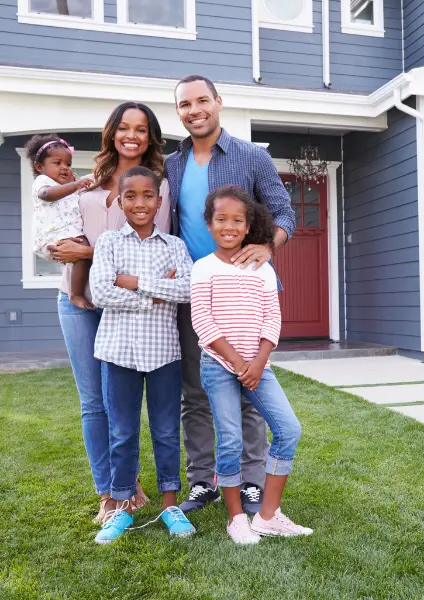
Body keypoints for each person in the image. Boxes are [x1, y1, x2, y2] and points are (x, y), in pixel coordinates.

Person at [166, 74, 295, 515]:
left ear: (218, 102)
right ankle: (203, 482)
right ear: (178, 112)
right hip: (196, 294)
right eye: (185, 104)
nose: (194, 109)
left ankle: (252, 481)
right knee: (196, 393)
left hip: (246, 294)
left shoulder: (250, 157)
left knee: (250, 390)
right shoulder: (172, 164)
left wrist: (268, 244)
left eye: (202, 100)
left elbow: (283, 212)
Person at [50, 102, 171, 523]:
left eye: (140, 129)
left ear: (150, 136)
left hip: (124, 307)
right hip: (77, 298)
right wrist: (61, 248)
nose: (131, 135)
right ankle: (110, 490)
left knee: (119, 401)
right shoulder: (86, 180)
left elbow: (153, 253)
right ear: (112, 132)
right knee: (91, 403)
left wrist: (86, 250)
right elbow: (62, 231)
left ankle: (126, 479)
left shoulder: (159, 186)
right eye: (123, 127)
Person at [192, 185, 311, 544]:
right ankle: (235, 518)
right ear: (209, 224)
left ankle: (268, 515)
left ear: (248, 227)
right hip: (218, 365)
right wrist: (239, 362)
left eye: (237, 220)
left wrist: (258, 363)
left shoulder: (263, 269)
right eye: (221, 219)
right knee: (230, 440)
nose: (229, 226)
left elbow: (272, 320)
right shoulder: (203, 268)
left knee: (288, 430)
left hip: (259, 366)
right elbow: (203, 322)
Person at [91, 166, 195, 544]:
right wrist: (156, 293)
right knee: (122, 432)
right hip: (118, 352)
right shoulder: (108, 243)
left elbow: (186, 290)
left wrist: (134, 284)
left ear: (159, 200)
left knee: (167, 431)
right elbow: (101, 293)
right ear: (120, 201)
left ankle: (170, 504)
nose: (139, 203)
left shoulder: (175, 247)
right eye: (130, 196)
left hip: (164, 352)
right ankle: (120, 506)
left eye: (147, 196)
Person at [25, 135, 92, 309]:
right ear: (40, 167)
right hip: (52, 235)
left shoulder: (66, 186)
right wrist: (75, 185)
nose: (64, 168)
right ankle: (76, 294)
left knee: (83, 253)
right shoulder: (43, 182)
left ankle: (78, 292)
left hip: (67, 232)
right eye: (57, 163)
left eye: (68, 164)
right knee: (82, 253)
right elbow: (47, 195)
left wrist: (75, 186)